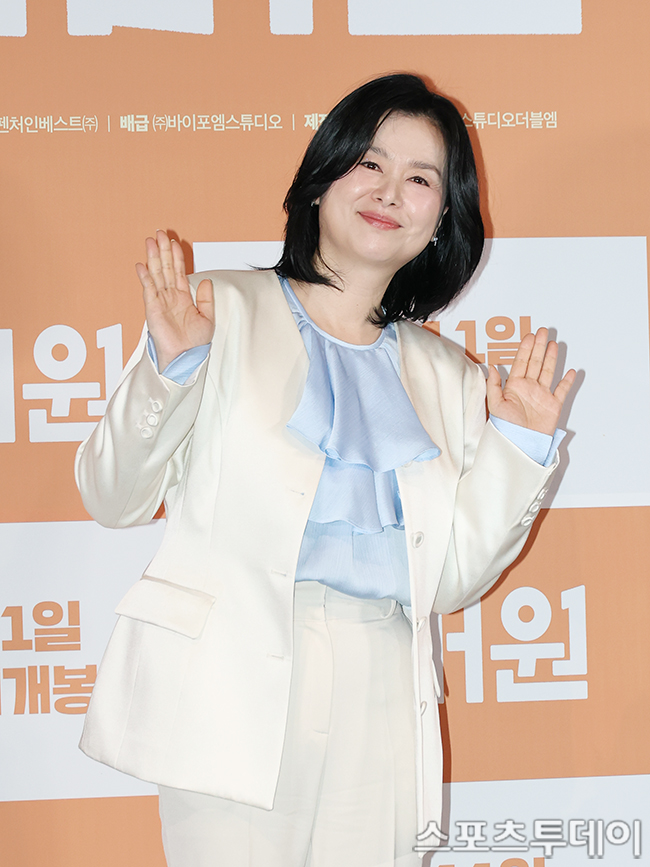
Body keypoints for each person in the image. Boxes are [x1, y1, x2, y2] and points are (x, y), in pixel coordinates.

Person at [75, 73, 575, 867]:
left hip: (385, 688)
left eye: (421, 179)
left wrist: (520, 449)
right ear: (322, 177)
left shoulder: (448, 376)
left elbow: (448, 582)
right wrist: (172, 368)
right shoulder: (218, 309)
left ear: (440, 221)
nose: (390, 192)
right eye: (370, 163)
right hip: (233, 680)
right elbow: (113, 496)